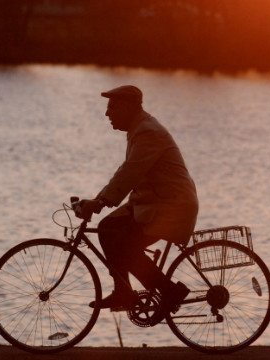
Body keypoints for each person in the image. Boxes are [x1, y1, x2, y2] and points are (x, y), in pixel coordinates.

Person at [77, 85, 198, 318]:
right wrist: (98, 200)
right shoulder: (139, 129)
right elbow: (127, 172)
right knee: (108, 229)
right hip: (155, 203)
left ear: (129, 107)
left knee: (124, 245)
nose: (107, 113)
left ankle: (168, 291)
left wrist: (99, 202)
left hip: (171, 207)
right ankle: (123, 290)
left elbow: (130, 173)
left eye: (112, 107)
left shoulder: (147, 132)